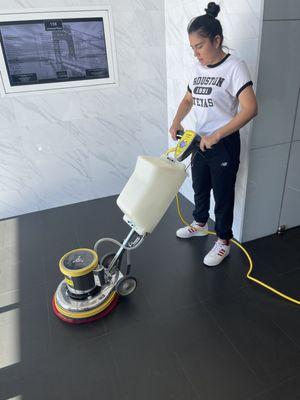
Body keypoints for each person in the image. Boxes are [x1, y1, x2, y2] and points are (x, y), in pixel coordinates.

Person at [169, 2, 258, 266]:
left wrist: (218, 135)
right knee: (199, 186)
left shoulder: (235, 67)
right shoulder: (198, 69)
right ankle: (198, 223)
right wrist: (176, 121)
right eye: (192, 48)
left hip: (223, 143)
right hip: (200, 140)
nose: (196, 54)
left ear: (216, 40)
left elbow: (251, 108)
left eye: (200, 46)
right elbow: (188, 99)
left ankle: (223, 241)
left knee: (222, 194)